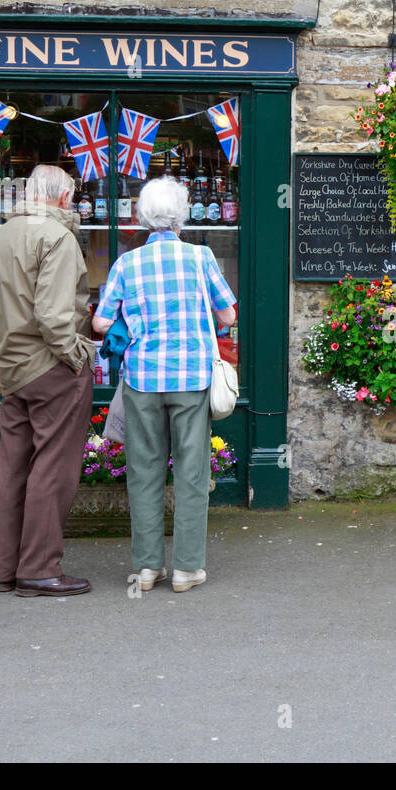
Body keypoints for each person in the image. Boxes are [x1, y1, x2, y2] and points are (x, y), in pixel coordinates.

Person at [0, 164, 95, 597]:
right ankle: (39, 570)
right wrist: (76, 357)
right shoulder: (58, 238)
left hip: (12, 373)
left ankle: (8, 571)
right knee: (53, 468)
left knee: (14, 469)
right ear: (64, 199)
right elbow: (54, 318)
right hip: (53, 370)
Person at [93, 177, 236, 594]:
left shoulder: (126, 263)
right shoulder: (201, 257)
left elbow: (101, 323)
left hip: (142, 379)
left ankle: (147, 568)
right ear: (182, 215)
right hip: (191, 378)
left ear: (142, 216)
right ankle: (187, 569)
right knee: (192, 472)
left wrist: (133, 323)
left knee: (143, 471)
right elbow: (227, 317)